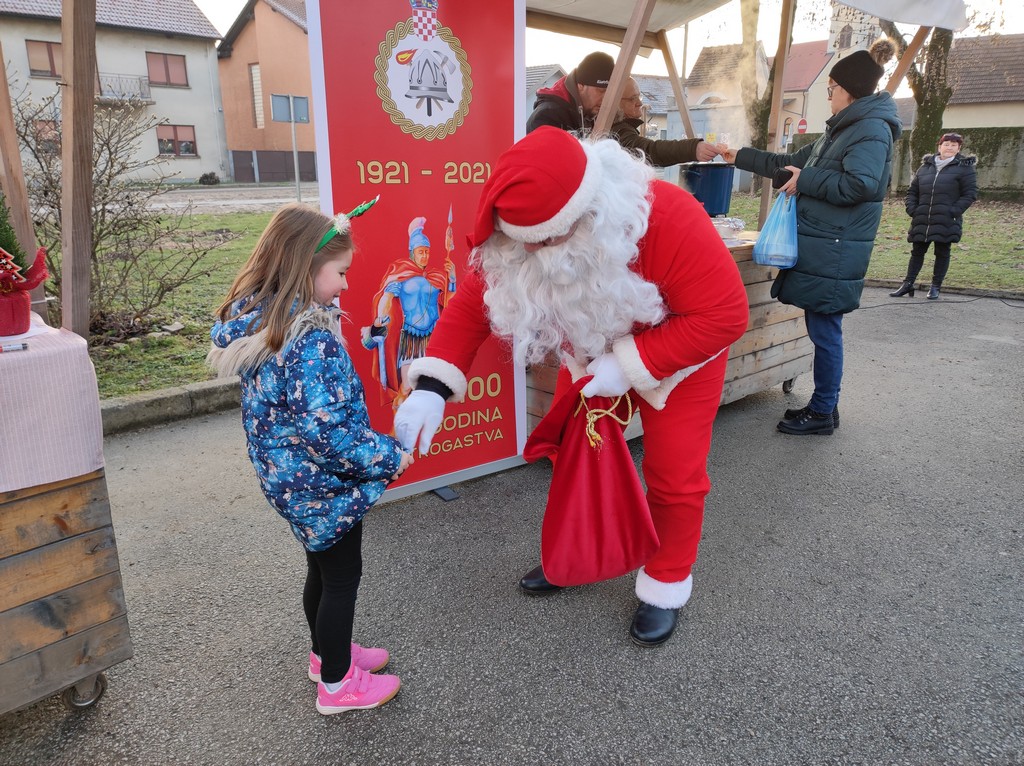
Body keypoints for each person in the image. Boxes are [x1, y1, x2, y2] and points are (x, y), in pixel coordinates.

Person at [393, 127, 750, 647]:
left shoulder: (668, 216)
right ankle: (575, 555)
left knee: (674, 475)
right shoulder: (515, 238)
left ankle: (666, 580)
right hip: (589, 351)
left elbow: (724, 315)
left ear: (590, 212)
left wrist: (631, 365)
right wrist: (430, 386)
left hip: (679, 353)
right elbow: (473, 305)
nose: (535, 255)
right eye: (524, 243)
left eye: (546, 240)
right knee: (574, 455)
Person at [207, 202, 412, 715]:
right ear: (304, 266)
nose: (345, 285)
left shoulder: (268, 321)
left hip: (291, 481)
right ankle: (338, 686)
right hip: (323, 485)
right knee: (342, 579)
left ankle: (327, 656)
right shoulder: (308, 340)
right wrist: (390, 456)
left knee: (321, 572)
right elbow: (329, 433)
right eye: (340, 273)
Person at [723, 38, 901, 436]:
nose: (828, 96)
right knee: (823, 329)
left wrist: (808, 181)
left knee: (825, 331)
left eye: (831, 89)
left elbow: (862, 185)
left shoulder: (869, 129)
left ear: (848, 91)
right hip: (827, 245)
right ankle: (826, 406)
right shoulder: (841, 131)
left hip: (835, 250)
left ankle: (822, 411)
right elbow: (787, 166)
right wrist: (737, 156)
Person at [360, 216, 457, 408]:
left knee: (431, 387)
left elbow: (449, 303)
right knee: (406, 387)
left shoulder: (437, 277)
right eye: (421, 252)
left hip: (433, 337)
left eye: (427, 252)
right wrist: (381, 318)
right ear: (412, 252)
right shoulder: (400, 274)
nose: (424, 256)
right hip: (411, 339)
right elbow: (386, 299)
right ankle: (400, 429)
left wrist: (452, 279)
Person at [891, 132, 978, 300]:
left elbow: (970, 194)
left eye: (954, 145)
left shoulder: (964, 169)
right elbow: (912, 192)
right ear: (939, 147)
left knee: (942, 251)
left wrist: (953, 211)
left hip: (947, 219)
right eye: (947, 144)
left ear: (959, 148)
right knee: (917, 251)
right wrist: (912, 209)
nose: (949, 147)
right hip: (922, 217)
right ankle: (908, 284)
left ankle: (935, 286)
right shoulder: (925, 167)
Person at [611, 76, 726, 166]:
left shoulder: (621, 126)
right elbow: (649, 150)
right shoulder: (616, 131)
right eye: (632, 99)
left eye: (639, 97)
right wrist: (692, 148)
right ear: (615, 102)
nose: (640, 103)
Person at [526, 51, 615, 135]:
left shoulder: (591, 115)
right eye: (601, 91)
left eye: (609, 93)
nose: (605, 98)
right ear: (581, 85)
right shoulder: (548, 116)